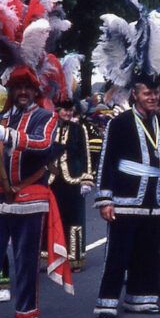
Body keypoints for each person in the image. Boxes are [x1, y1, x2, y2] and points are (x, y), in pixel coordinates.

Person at [0, 0, 74, 318]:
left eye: (28, 87)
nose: (23, 92)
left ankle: (27, 317)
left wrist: (8, 136)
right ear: (11, 91)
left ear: (35, 89)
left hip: (29, 197)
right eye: (18, 88)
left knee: (26, 264)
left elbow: (43, 146)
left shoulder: (45, 117)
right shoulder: (2, 115)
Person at [92, 0, 160, 318]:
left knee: (148, 251)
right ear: (135, 93)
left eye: (156, 92)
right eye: (147, 92)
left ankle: (141, 298)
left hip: (155, 200)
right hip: (125, 198)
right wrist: (104, 199)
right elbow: (106, 162)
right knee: (118, 253)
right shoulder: (119, 123)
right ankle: (107, 302)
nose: (153, 96)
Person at [48, 99, 94, 272]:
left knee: (75, 220)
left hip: (74, 180)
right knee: (51, 219)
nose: (67, 114)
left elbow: (85, 154)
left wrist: (87, 179)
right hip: (52, 180)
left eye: (70, 111)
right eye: (64, 111)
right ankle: (50, 256)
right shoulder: (49, 128)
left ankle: (75, 259)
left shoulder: (79, 129)